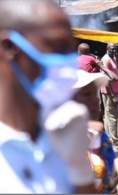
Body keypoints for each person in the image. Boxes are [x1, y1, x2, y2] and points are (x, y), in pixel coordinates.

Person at [0, 0, 96, 193]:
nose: (69, 63)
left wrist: (81, 173)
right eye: (58, 46)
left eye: (71, 50)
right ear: (9, 48)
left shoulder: (66, 139)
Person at [72, 70, 118, 193]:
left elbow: (111, 187)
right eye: (87, 94)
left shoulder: (102, 138)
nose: (96, 100)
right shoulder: (53, 140)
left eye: (95, 94)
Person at [100, 42, 118, 146]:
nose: (114, 51)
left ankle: (108, 139)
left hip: (116, 90)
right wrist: (111, 95)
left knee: (109, 116)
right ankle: (116, 140)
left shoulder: (114, 58)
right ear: (107, 48)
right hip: (109, 92)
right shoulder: (106, 59)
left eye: (116, 49)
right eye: (112, 49)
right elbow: (105, 79)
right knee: (112, 116)